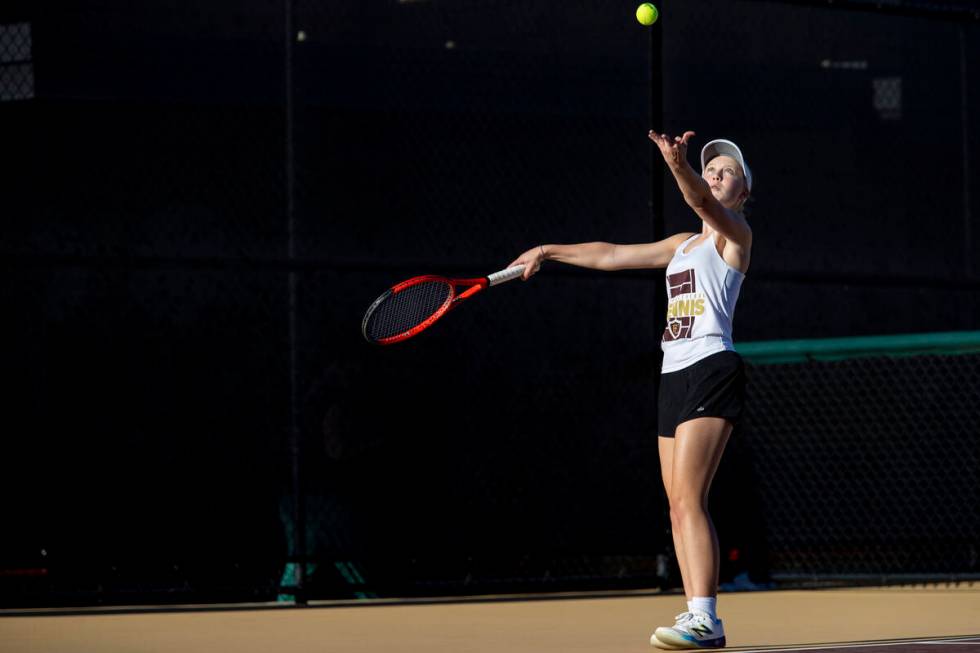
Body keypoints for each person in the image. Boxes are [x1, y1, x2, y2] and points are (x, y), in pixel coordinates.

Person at [508, 130, 752, 649]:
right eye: (712, 167)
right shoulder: (681, 246)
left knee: (690, 497)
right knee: (676, 505)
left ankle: (707, 618)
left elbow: (698, 199)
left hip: (712, 365)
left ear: (743, 193)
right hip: (674, 373)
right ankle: (696, 615)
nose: (715, 174)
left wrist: (677, 165)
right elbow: (612, 254)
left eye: (727, 171)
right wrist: (548, 251)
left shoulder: (736, 236)